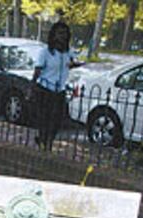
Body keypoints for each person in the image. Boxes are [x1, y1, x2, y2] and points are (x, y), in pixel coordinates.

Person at [31, 21, 82, 151]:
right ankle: (44, 142)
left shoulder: (67, 52)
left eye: (65, 34)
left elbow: (74, 62)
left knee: (57, 120)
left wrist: (75, 64)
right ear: (53, 35)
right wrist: (32, 87)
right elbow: (38, 70)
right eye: (59, 33)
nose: (62, 37)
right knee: (45, 118)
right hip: (46, 89)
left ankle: (49, 141)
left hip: (60, 90)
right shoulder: (46, 52)